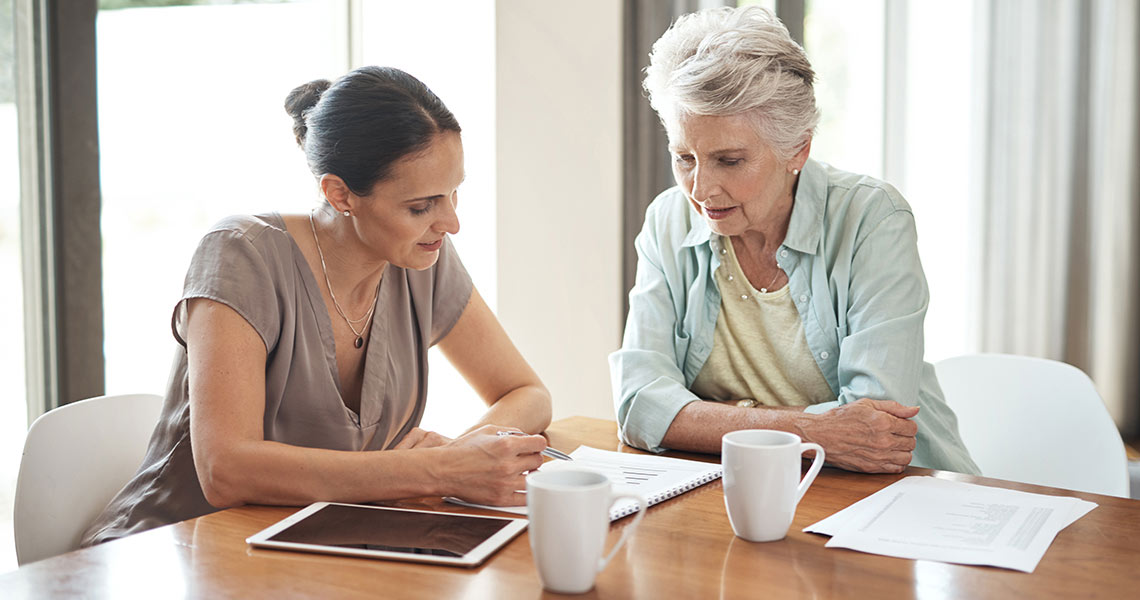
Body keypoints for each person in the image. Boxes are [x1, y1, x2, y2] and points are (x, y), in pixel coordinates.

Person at [82, 66, 552, 546]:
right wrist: (434, 470)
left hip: (318, 552)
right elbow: (226, 470)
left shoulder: (422, 260)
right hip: (170, 552)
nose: (450, 223)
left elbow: (528, 393)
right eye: (421, 206)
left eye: (454, 194)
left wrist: (461, 454)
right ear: (339, 193)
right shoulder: (241, 255)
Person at [610, 6, 978, 474]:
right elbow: (639, 405)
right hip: (740, 488)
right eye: (684, 157)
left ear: (797, 149)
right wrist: (814, 431)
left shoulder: (872, 219)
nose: (700, 190)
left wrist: (701, 421)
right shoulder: (668, 220)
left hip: (890, 495)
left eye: (729, 160)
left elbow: (875, 429)